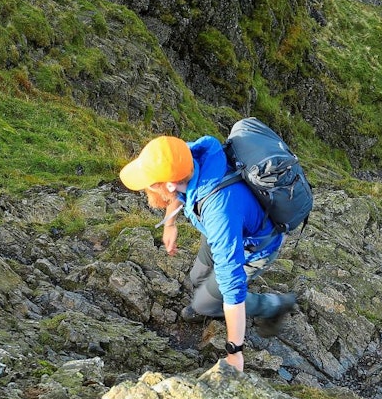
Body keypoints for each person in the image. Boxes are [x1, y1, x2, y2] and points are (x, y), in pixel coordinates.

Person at [120, 135, 298, 372]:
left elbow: (232, 284)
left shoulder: (219, 213)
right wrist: (170, 224)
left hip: (252, 246)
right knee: (197, 278)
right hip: (220, 229)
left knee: (207, 301)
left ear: (169, 184)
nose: (145, 188)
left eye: (150, 184)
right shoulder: (194, 154)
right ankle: (208, 301)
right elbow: (178, 189)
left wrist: (235, 354)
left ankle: (275, 305)